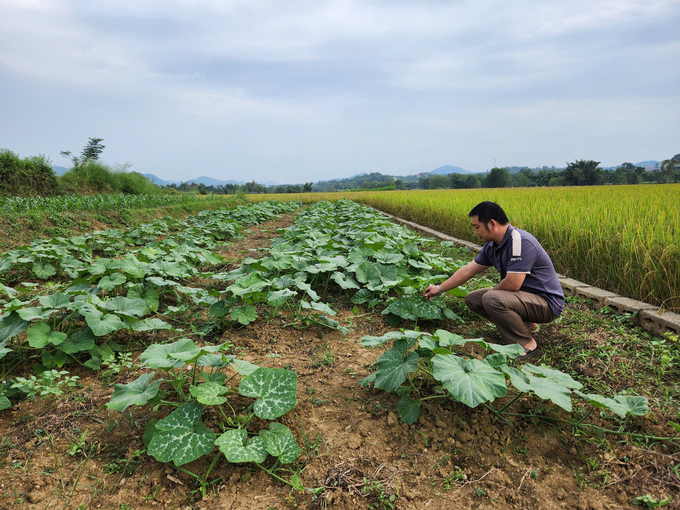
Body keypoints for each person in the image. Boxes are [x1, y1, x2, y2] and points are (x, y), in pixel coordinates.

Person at [424, 201, 564, 359]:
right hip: (523, 297)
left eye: (477, 227)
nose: (475, 232)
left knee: (491, 298)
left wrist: (492, 292)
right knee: (473, 299)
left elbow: (512, 283)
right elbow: (468, 270)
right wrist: (439, 288)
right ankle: (523, 324)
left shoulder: (520, 242)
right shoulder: (492, 245)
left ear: (492, 224)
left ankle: (526, 343)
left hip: (547, 303)